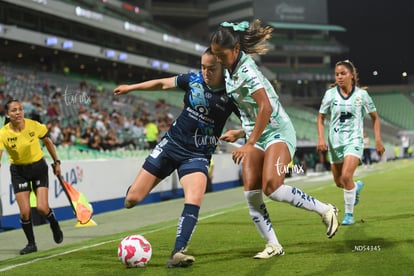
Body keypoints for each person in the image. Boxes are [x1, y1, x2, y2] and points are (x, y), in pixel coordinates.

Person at [210, 19, 339, 258]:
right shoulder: (229, 71)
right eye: (215, 55)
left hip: (278, 130)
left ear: (236, 50)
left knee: (273, 187)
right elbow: (251, 110)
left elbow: (266, 108)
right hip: (255, 134)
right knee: (251, 193)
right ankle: (273, 245)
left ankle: (325, 210)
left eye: (221, 55)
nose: (218, 60)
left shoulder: (248, 71)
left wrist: (248, 144)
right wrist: (241, 133)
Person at [113, 48, 240, 268]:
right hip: (170, 145)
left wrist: (239, 133)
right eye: (203, 67)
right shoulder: (193, 79)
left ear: (222, 67)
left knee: (194, 198)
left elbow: (256, 122)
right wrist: (130, 88)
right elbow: (162, 83)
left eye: (212, 68)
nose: (206, 72)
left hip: (198, 154)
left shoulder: (232, 94)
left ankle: (178, 252)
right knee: (131, 200)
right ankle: (134, 191)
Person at [316, 60, 385, 225]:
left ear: (351, 75)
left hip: (354, 140)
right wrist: (321, 138)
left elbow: (375, 118)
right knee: (340, 182)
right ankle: (356, 187)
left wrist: (378, 139)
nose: (339, 77)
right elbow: (321, 117)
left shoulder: (362, 95)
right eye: (337, 74)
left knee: (346, 176)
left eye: (343, 74)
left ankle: (349, 215)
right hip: (335, 143)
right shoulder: (330, 94)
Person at [0, 99, 63, 255]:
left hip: (38, 168)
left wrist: (57, 162)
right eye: (14, 110)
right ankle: (31, 244)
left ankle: (54, 224)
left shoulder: (34, 125)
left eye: (20, 109)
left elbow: (48, 142)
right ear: (8, 114)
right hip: (18, 171)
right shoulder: (3, 133)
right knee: (24, 212)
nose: (18, 112)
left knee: (42, 207)